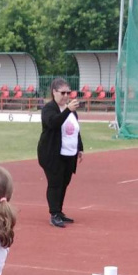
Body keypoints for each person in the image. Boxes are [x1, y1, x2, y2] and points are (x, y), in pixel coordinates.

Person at [37, 79, 83, 228]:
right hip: (52, 154)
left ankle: (59, 211)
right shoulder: (49, 108)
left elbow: (76, 130)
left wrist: (80, 148)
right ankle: (54, 214)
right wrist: (68, 110)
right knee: (55, 183)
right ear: (54, 92)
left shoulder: (71, 110)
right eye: (62, 93)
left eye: (68, 93)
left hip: (69, 153)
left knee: (64, 183)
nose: (66, 96)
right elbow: (53, 123)